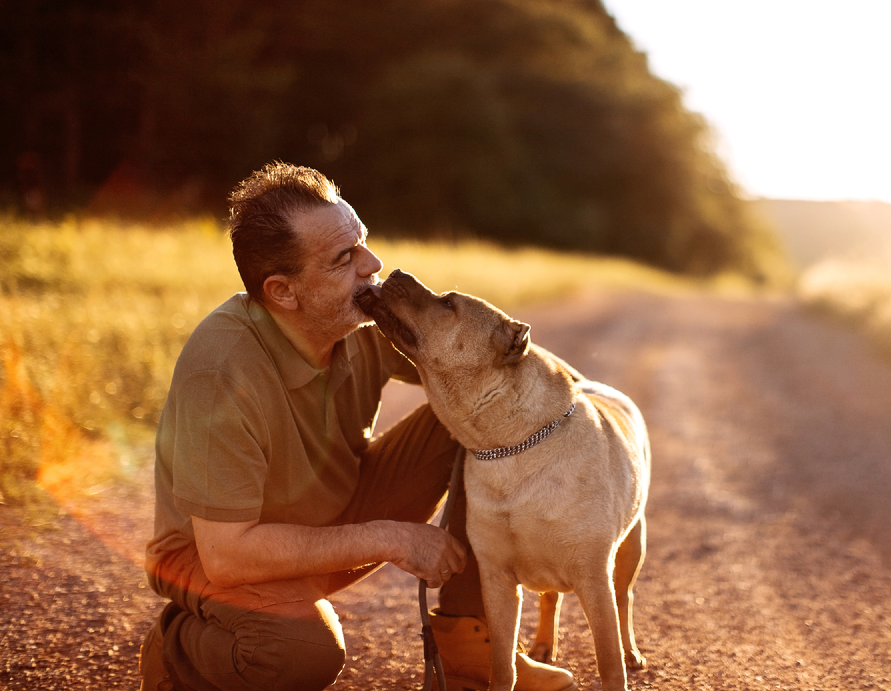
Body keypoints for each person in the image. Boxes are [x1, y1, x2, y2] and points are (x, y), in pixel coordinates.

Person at [139, 163, 574, 691]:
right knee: (299, 654)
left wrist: (583, 405)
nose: (372, 264)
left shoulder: (360, 315)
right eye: (344, 258)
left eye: (362, 241)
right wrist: (388, 537)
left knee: (483, 417)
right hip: (213, 556)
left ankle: (468, 641)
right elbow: (227, 555)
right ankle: (177, 649)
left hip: (332, 512)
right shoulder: (222, 372)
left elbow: (487, 376)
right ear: (283, 292)